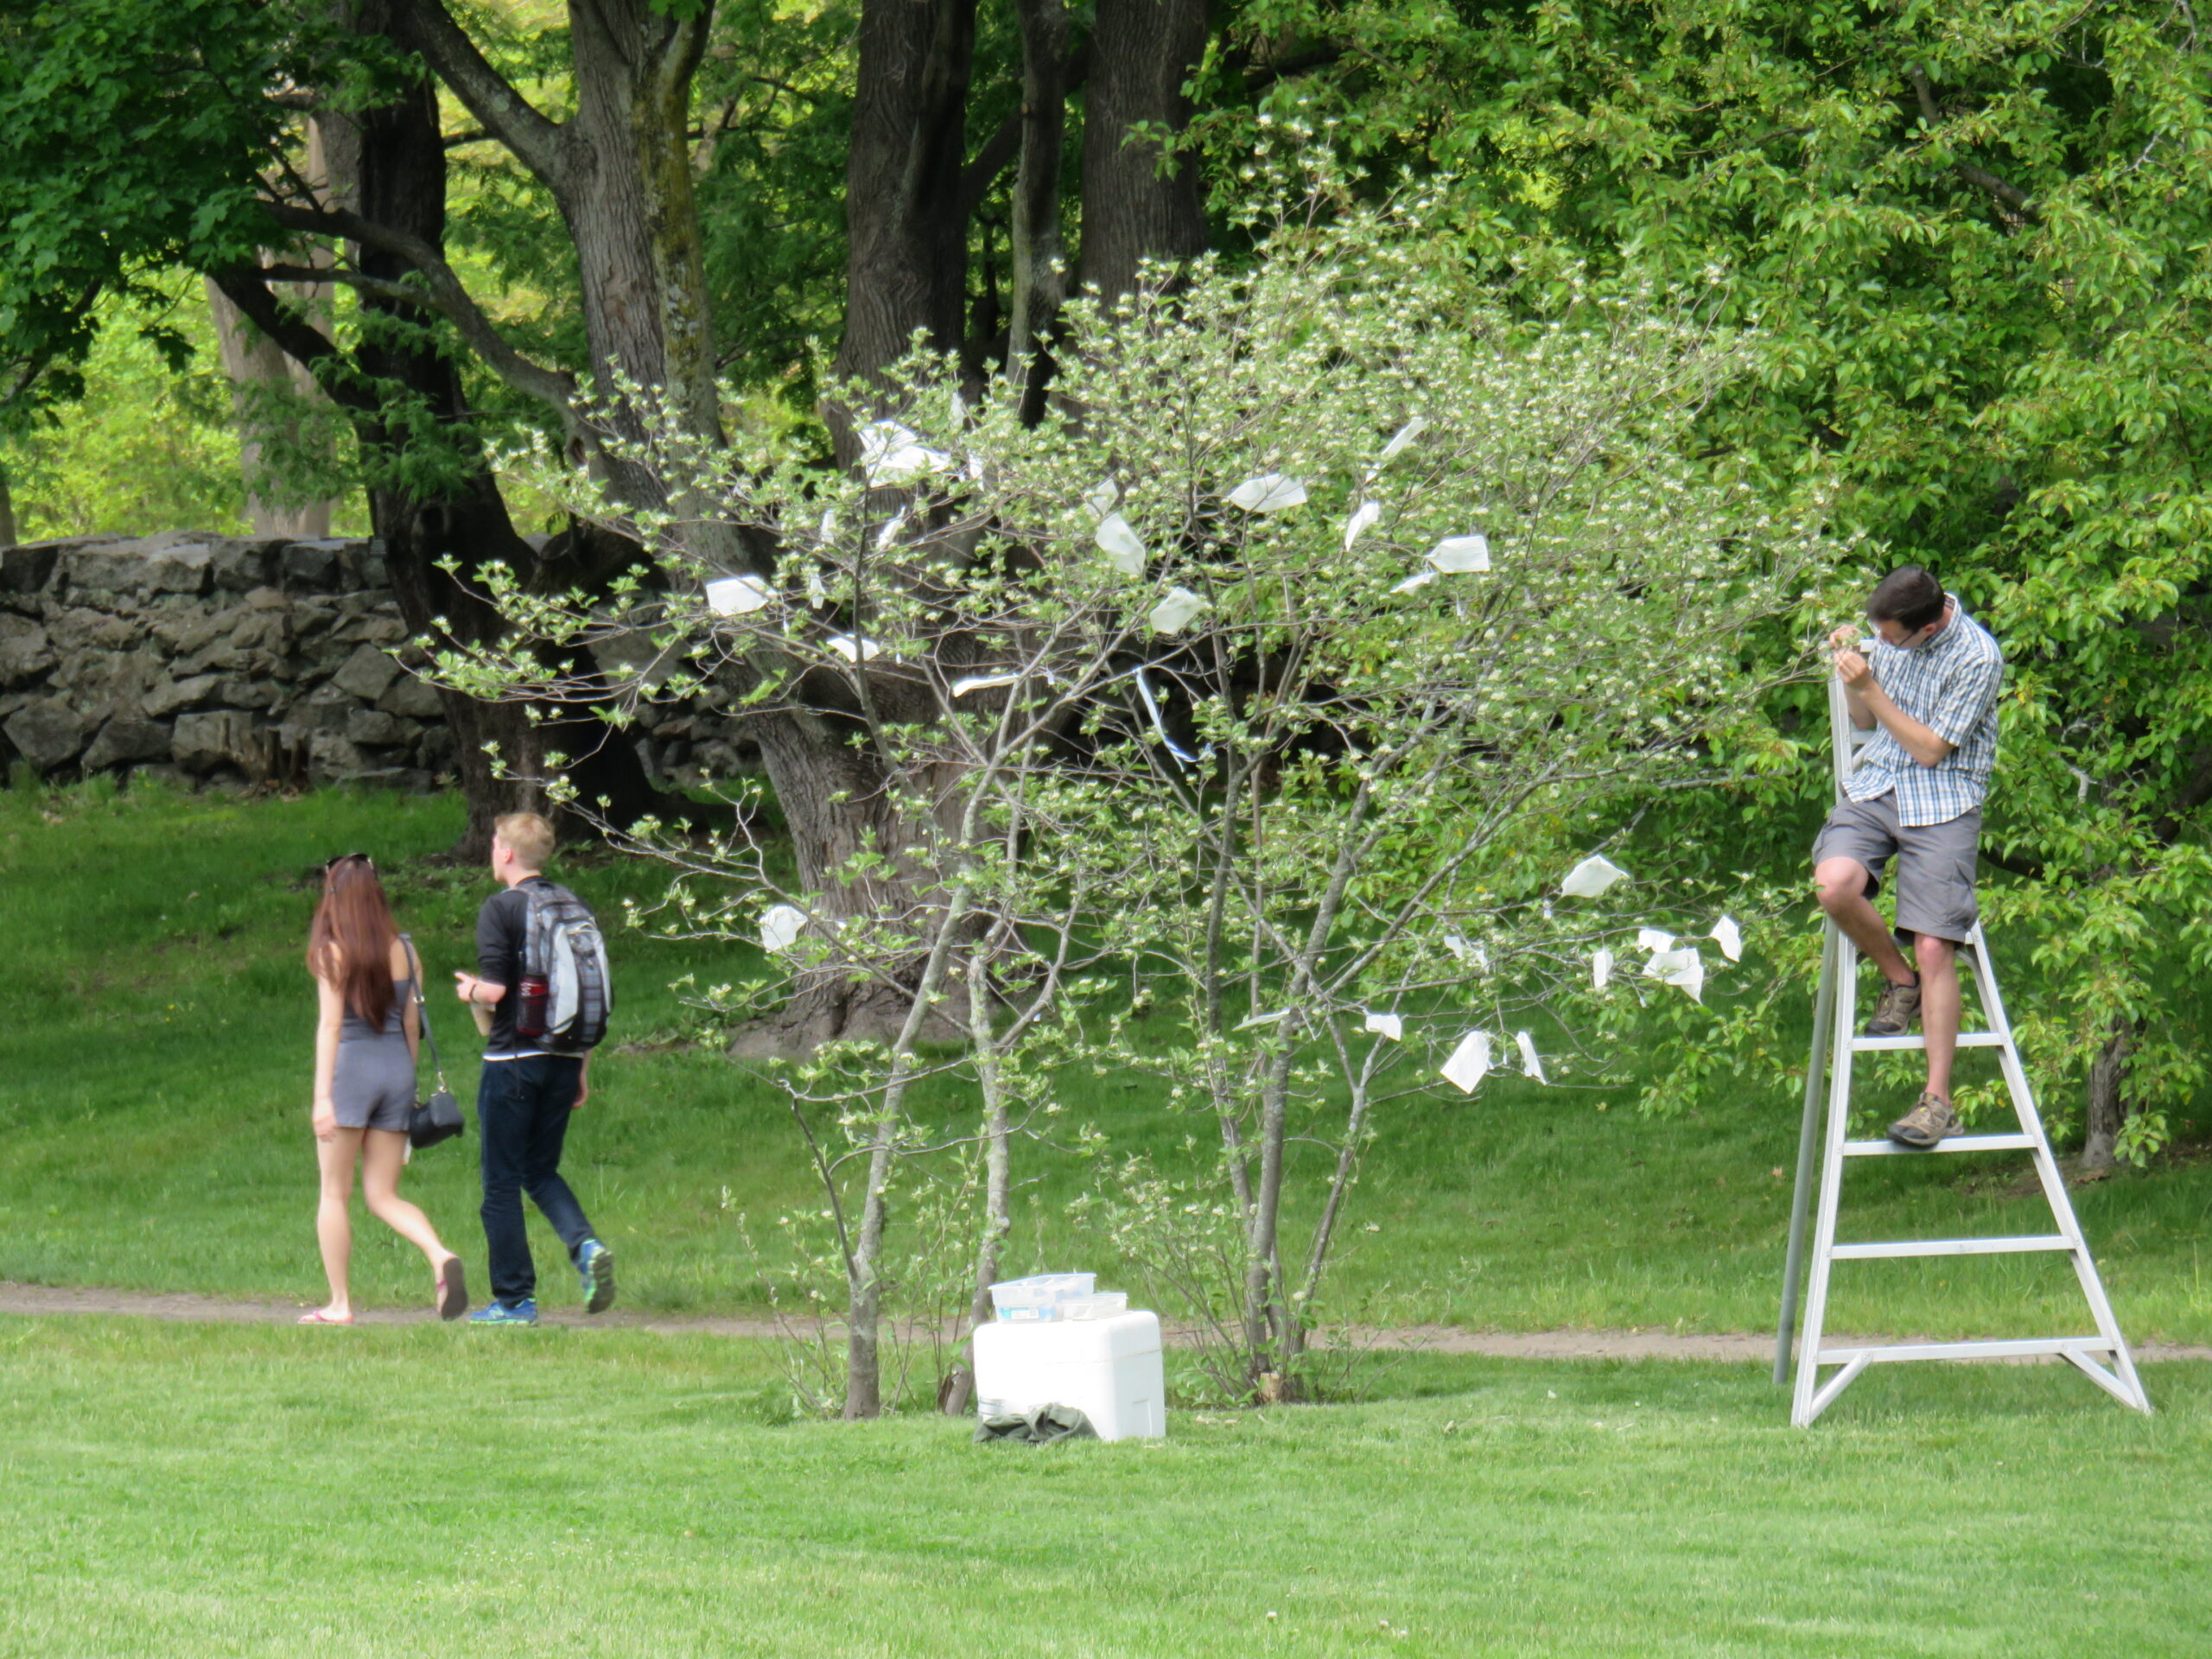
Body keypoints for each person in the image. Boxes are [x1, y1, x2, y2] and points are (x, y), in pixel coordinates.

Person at [1813, 567, 2005, 1147]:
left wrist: (1871, 685)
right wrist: (1853, 673)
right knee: (1835, 885)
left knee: (1933, 942)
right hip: (1877, 788)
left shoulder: (1978, 658)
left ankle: (1937, 1103)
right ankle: (1900, 982)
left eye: (1891, 636)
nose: (1884, 643)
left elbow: (1928, 751)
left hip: (1946, 798)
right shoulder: (1894, 634)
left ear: (1930, 625)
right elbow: (1866, 723)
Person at [453, 811, 615, 1325]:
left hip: (513, 1062)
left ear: (504, 852)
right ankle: (585, 1246)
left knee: (500, 1181)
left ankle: (514, 1300)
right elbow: (587, 992)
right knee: (540, 1170)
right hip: (565, 1057)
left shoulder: (501, 908)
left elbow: (498, 991)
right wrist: (582, 1067)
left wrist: (470, 990)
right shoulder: (572, 905)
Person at [303, 854, 469, 1324]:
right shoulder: (406, 949)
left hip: (352, 1074)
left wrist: (322, 1099)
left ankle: (340, 1304)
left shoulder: (333, 951)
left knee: (334, 1194)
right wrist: (407, 1086)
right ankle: (439, 1255)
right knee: (383, 1195)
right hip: (396, 1071)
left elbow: (331, 1026)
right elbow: (411, 1023)